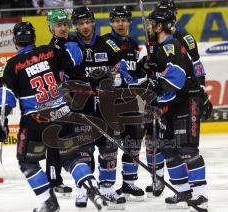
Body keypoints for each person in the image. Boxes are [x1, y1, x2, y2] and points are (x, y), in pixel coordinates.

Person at [0, 21, 107, 212]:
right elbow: (75, 57)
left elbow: (6, 96)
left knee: (27, 162)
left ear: (15, 41)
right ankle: (91, 186)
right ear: (34, 38)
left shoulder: (11, 65)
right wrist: (65, 40)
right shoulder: (50, 51)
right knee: (72, 159)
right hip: (62, 115)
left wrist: (0, 119)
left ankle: (49, 202)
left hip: (36, 122)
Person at [145, 0, 212, 203]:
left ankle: (200, 191)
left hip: (186, 95)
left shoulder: (182, 37)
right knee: (167, 146)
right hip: (169, 100)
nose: (148, 26)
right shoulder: (155, 43)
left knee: (187, 148)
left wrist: (202, 92)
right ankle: (183, 190)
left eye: (152, 22)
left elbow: (193, 65)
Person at [70, 6, 133, 210]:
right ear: (76, 26)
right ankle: (85, 188)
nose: (85, 26)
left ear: (94, 22)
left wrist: (118, 78)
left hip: (106, 108)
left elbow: (122, 69)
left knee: (109, 149)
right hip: (82, 109)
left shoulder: (109, 44)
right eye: (80, 23)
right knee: (84, 151)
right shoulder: (70, 48)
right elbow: (63, 75)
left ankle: (106, 187)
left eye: (88, 22)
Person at [102, 6, 145, 202]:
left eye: (124, 20)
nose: (120, 23)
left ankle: (129, 181)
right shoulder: (103, 43)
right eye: (117, 20)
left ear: (129, 22)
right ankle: (106, 185)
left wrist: (145, 71)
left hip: (131, 101)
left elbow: (136, 73)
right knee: (109, 146)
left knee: (133, 142)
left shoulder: (134, 44)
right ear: (111, 22)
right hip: (110, 101)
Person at [45, 8, 73, 197]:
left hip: (71, 101)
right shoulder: (53, 49)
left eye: (65, 24)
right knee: (54, 143)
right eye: (58, 25)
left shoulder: (70, 43)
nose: (63, 28)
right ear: (51, 28)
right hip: (57, 102)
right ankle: (54, 181)